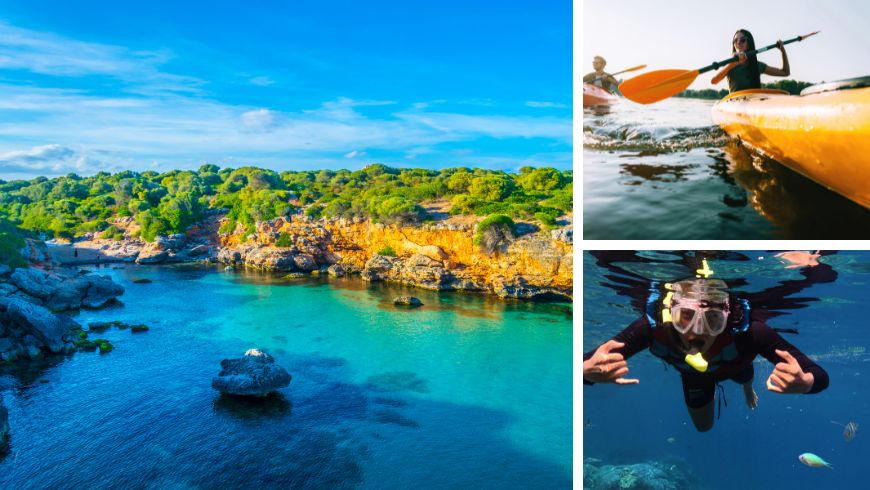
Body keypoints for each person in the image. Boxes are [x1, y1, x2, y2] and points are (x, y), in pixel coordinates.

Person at [583, 274, 829, 432]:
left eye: (712, 319)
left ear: (726, 317)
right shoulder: (650, 328)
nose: (696, 332)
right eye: (686, 316)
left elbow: (818, 374)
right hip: (695, 375)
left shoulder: (751, 333)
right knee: (703, 427)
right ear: (671, 313)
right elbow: (582, 364)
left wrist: (806, 382)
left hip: (736, 364)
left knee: (743, 373)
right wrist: (585, 371)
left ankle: (747, 387)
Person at [711, 29, 790, 92]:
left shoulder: (757, 65)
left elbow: (785, 73)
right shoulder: (729, 65)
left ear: (749, 43)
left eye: (742, 40)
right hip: (736, 102)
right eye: (735, 40)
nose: (738, 42)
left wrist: (782, 51)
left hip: (754, 102)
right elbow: (714, 81)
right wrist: (732, 64)